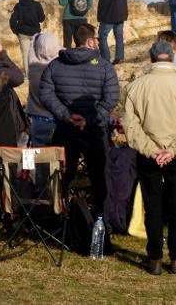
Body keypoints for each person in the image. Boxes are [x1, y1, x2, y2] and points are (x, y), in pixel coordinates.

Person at [122, 40, 176, 276]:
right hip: (175, 156)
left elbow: (131, 127)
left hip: (150, 156)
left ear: (152, 58)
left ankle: (155, 257)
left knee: (153, 206)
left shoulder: (137, 87)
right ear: (172, 57)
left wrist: (151, 149)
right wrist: (173, 150)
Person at [39, 23, 119, 214]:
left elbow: (46, 95)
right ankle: (103, 222)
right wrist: (90, 119)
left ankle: (61, 218)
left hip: (65, 130)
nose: (99, 43)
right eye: (98, 39)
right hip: (95, 131)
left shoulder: (55, 65)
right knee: (101, 178)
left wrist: (66, 116)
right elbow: (111, 98)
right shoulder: (104, 66)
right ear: (90, 41)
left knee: (63, 177)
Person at [26, 31, 61, 146]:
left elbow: (31, 51)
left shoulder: (33, 65)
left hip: (38, 121)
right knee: (62, 156)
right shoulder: (60, 68)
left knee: (40, 157)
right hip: (58, 121)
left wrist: (35, 37)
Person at [9, 0, 45, 76]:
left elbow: (12, 20)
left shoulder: (18, 6)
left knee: (25, 55)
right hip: (35, 33)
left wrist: (16, 31)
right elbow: (41, 18)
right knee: (36, 53)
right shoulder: (36, 5)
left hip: (22, 33)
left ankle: (28, 75)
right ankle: (37, 73)